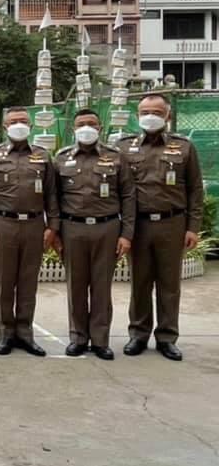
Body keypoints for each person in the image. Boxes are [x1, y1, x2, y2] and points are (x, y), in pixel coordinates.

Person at [119, 94, 204, 361]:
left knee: (169, 284)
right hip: (138, 225)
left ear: (168, 115)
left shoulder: (184, 147)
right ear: (137, 115)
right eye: (145, 112)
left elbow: (195, 189)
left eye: (156, 112)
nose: (150, 116)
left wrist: (193, 227)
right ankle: (138, 334)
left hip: (172, 223)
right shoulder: (123, 148)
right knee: (140, 283)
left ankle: (167, 337)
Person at [53, 109, 135, 361]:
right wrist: (55, 232)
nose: (86, 128)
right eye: (81, 124)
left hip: (106, 228)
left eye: (91, 123)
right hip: (72, 228)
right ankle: (78, 337)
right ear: (73, 129)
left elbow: (128, 196)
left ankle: (100, 340)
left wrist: (126, 234)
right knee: (76, 286)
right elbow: (53, 198)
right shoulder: (61, 158)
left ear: (100, 128)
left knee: (101, 287)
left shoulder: (116, 157)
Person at [0, 107, 60, 357]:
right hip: (3, 224)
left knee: (28, 282)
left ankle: (25, 332)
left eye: (23, 120)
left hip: (34, 224)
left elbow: (52, 194)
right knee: (5, 281)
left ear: (31, 125)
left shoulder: (43, 156)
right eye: (14, 121)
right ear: (5, 126)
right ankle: (6, 333)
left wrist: (53, 226)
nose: (19, 125)